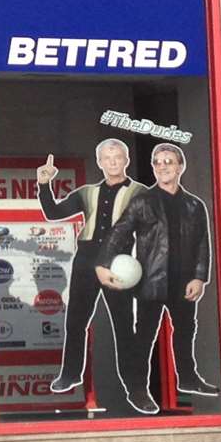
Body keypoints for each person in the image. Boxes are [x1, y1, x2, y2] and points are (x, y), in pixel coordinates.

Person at [96, 142, 217, 414]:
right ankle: (138, 390)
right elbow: (119, 233)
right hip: (151, 280)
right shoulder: (143, 201)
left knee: (186, 330)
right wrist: (103, 265)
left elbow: (202, 244)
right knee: (145, 337)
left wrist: (199, 277)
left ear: (180, 167)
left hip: (183, 281)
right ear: (153, 168)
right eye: (158, 162)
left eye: (169, 162)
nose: (163, 166)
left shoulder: (194, 205)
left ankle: (188, 378)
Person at [36, 139, 145, 398]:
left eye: (117, 157)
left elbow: (151, 231)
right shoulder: (87, 192)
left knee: (123, 324)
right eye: (107, 158)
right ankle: (70, 374)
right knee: (75, 320)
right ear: (100, 162)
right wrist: (44, 184)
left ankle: (135, 387)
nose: (113, 162)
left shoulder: (141, 193)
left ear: (126, 160)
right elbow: (53, 213)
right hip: (85, 259)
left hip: (118, 261)